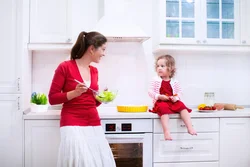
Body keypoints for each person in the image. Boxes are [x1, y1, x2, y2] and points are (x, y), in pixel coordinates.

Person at [48, 31, 116, 167]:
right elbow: (52, 98)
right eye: (103, 49)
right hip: (72, 122)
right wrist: (74, 93)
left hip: (93, 121)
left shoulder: (94, 71)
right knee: (81, 162)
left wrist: (101, 98)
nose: (104, 53)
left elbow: (91, 102)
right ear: (92, 49)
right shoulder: (65, 67)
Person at [148, 55, 197, 140]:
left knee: (182, 106)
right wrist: (159, 96)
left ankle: (190, 127)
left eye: (162, 66)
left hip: (172, 101)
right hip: (161, 101)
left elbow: (180, 92)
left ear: (170, 68)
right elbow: (150, 91)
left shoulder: (175, 81)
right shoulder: (155, 80)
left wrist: (176, 97)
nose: (159, 68)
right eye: (158, 66)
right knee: (163, 108)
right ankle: (166, 131)